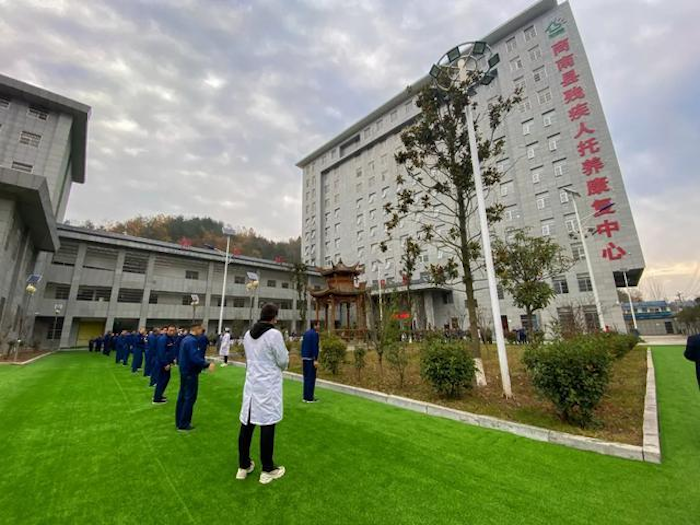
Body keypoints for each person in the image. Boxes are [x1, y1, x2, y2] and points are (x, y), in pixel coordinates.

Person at [237, 303, 288, 485]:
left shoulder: (248, 335)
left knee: (247, 424)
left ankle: (243, 466)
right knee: (267, 424)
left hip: (252, 384)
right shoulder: (274, 334)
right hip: (267, 385)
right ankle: (268, 469)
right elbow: (282, 360)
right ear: (274, 317)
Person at [175, 323, 215, 431]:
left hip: (185, 371)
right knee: (189, 397)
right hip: (190, 372)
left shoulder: (186, 339)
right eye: (201, 329)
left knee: (182, 397)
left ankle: (179, 421)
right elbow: (194, 357)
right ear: (196, 329)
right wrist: (207, 364)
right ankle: (184, 423)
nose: (202, 331)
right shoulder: (192, 341)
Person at [153, 325, 177, 404]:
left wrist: (172, 360)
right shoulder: (163, 339)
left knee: (165, 380)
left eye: (173, 330)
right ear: (167, 330)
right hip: (162, 364)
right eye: (170, 330)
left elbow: (170, 351)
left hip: (167, 363)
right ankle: (157, 398)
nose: (172, 332)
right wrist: (165, 364)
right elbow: (161, 353)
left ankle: (159, 395)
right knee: (162, 380)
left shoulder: (171, 339)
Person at [300, 322, 320, 403]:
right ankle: (309, 398)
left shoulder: (306, 333)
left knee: (306, 378)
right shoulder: (315, 334)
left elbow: (303, 345)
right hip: (311, 358)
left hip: (304, 358)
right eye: (318, 325)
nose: (319, 326)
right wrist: (315, 359)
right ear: (314, 326)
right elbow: (314, 346)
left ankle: (305, 396)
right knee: (311, 378)